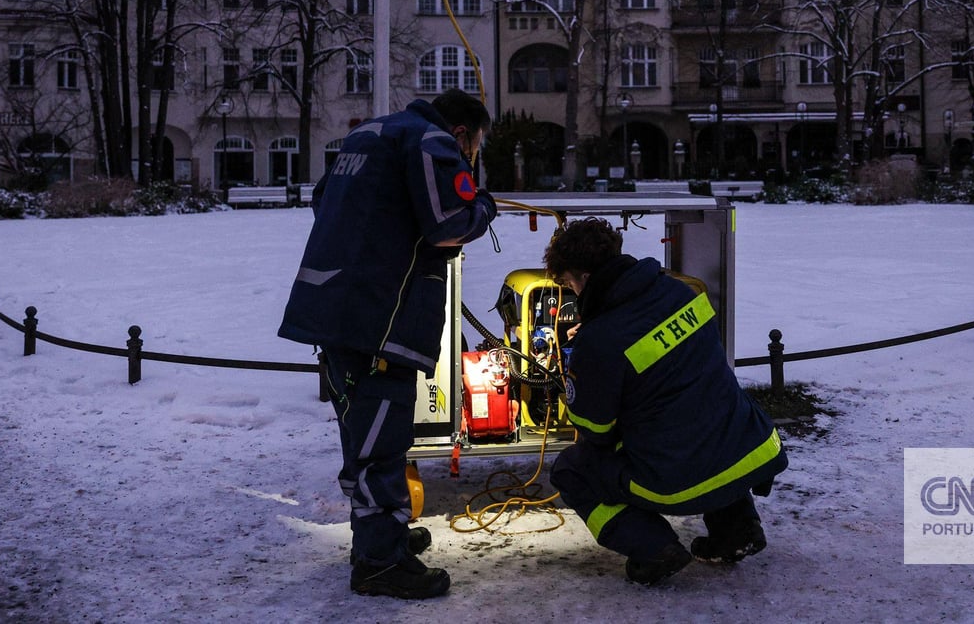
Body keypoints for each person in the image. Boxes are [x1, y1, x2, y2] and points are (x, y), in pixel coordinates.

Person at [278, 89, 496, 599]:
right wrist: (482, 204)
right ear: (462, 132)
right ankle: (379, 562)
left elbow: (322, 200)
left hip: (331, 306)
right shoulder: (432, 141)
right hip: (379, 315)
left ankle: (378, 537)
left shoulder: (369, 133)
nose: (470, 156)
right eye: (476, 147)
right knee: (382, 442)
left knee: (360, 435)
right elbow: (449, 224)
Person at [543, 217, 788, 585]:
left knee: (572, 470)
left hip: (679, 477)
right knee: (698, 418)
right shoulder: (680, 293)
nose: (571, 292)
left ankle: (654, 549)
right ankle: (737, 531)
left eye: (567, 283)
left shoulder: (599, 340)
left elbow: (595, 430)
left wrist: (582, 366)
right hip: (746, 448)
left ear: (583, 277)